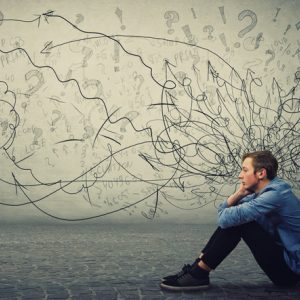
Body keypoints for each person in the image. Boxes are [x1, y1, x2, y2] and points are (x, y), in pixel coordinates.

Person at [160, 150, 300, 291]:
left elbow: (224, 218)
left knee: (240, 223)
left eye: (245, 170)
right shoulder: (267, 191)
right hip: (283, 261)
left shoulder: (275, 195)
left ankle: (198, 273)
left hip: (290, 272)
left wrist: (237, 197)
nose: (240, 175)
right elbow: (229, 212)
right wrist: (239, 193)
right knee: (237, 218)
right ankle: (197, 269)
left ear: (261, 173)